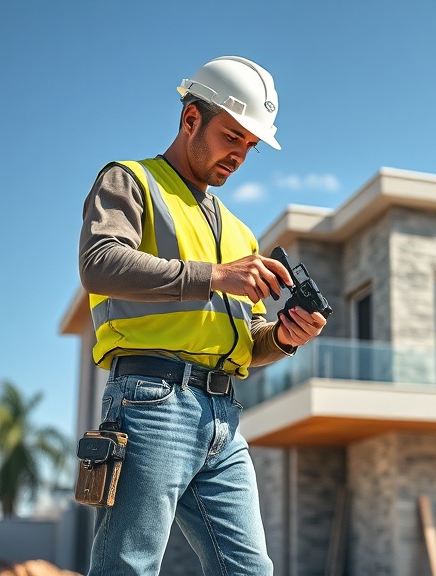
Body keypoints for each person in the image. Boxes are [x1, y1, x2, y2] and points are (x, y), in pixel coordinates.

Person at [78, 55, 326, 576]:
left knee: (249, 570)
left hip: (223, 418)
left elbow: (247, 339)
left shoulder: (240, 232)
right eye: (231, 136)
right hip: (150, 402)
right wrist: (214, 276)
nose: (239, 155)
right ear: (191, 118)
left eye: (249, 146)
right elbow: (99, 264)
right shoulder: (131, 181)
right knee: (131, 565)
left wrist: (282, 336)